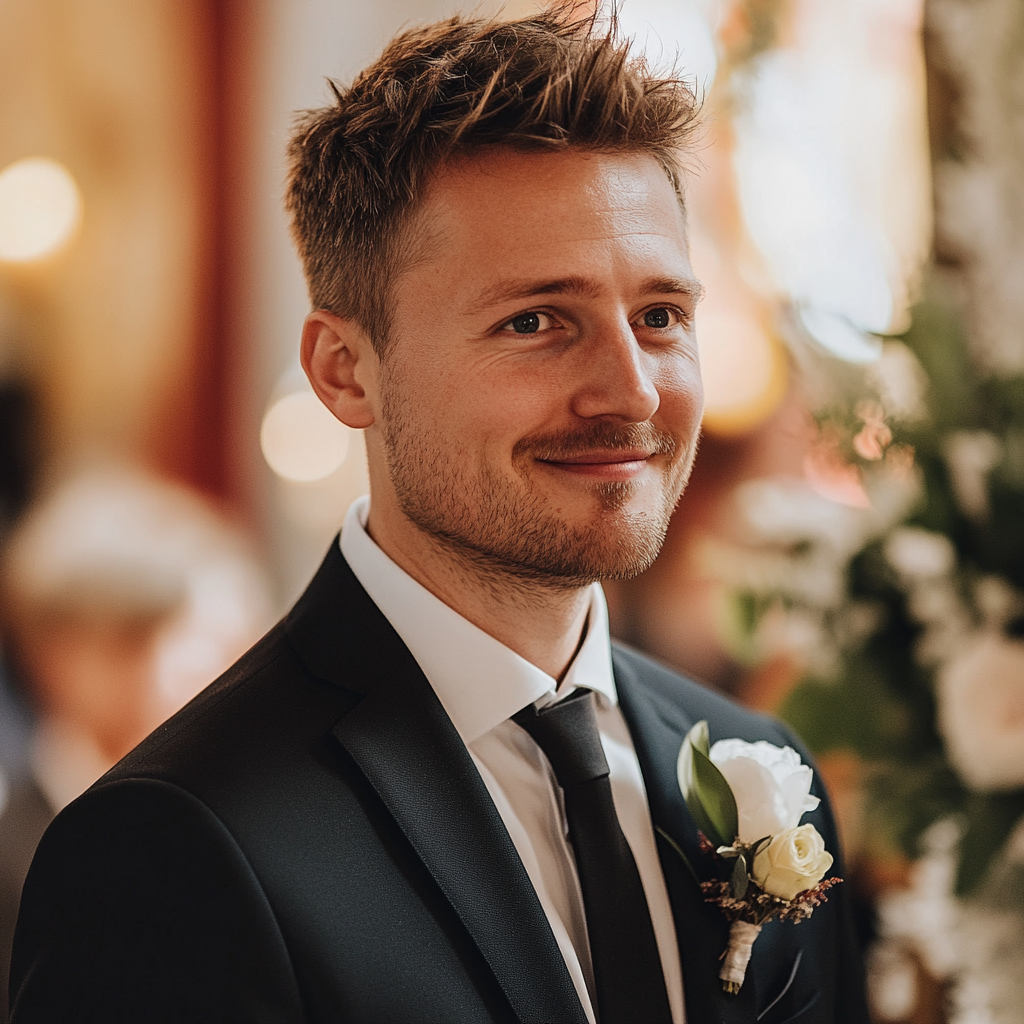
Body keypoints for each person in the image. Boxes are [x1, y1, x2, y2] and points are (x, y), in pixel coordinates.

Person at [9, 9, 867, 1023]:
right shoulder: (172, 843)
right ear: (344, 370)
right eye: (535, 321)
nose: (630, 390)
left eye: (659, 316)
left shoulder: (754, 765)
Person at [0, 465, 272, 1021]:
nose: (248, 677)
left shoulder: (269, 820)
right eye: (217, 647)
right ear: (74, 659)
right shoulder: (15, 856)